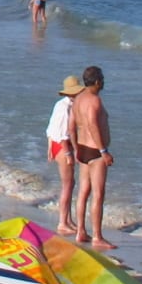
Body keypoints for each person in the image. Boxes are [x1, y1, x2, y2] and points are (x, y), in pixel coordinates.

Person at [69, 65, 115, 250]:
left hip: (82, 148)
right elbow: (92, 125)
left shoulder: (78, 99)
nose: (103, 83)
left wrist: (75, 148)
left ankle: (80, 230)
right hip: (95, 151)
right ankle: (97, 236)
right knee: (98, 194)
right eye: (102, 80)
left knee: (83, 191)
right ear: (96, 82)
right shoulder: (94, 101)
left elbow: (71, 126)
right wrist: (103, 151)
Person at [46, 74, 80, 233]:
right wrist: (69, 154)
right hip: (62, 146)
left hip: (55, 144)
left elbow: (50, 129)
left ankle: (68, 219)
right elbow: (63, 134)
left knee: (70, 183)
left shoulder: (60, 104)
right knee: (67, 185)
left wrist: (49, 147)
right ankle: (62, 222)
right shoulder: (66, 108)